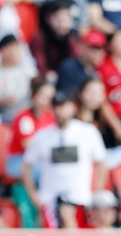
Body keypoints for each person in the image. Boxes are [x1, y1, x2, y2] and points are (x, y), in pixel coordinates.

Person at [21, 92, 107, 229]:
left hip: (81, 197)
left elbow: (102, 162)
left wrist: (97, 191)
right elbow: (26, 165)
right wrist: (33, 195)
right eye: (56, 106)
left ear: (73, 107)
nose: (59, 111)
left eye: (63, 106)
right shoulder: (43, 136)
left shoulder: (88, 132)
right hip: (50, 199)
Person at [6, 77, 56, 180]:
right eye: (45, 97)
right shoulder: (24, 118)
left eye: (51, 97)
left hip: (43, 159)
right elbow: (28, 146)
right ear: (34, 97)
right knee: (50, 171)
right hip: (20, 160)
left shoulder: (51, 116)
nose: (49, 101)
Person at [0, 34, 37, 122]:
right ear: (4, 51)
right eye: (15, 49)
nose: (19, 53)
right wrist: (0, 102)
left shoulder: (29, 71)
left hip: (27, 116)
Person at [55, 30, 106, 96]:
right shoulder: (69, 68)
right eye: (93, 48)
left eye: (100, 49)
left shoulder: (97, 70)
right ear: (82, 47)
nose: (97, 53)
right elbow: (67, 96)